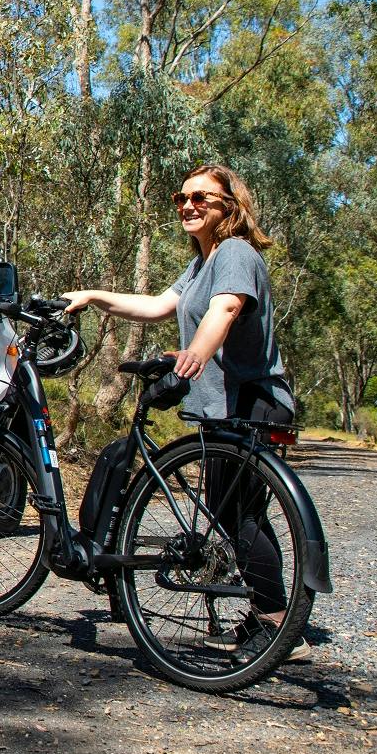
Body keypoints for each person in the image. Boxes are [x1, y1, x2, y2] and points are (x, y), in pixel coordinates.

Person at [63, 162, 307, 665]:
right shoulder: (201, 262)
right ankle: (269, 617)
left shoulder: (235, 253)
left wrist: (192, 356)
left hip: (254, 400)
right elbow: (156, 305)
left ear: (229, 208)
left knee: (239, 516)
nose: (189, 206)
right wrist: (92, 297)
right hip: (226, 406)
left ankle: (279, 625)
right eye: (182, 198)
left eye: (202, 198)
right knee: (235, 512)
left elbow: (227, 310)